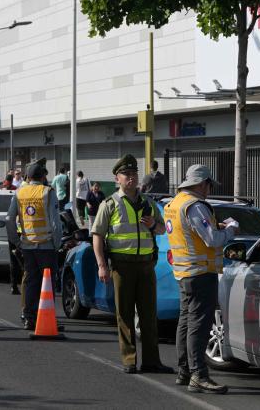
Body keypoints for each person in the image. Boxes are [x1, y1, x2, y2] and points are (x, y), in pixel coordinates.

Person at [91, 154, 173, 374]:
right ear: (117, 179)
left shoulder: (148, 203)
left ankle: (151, 361)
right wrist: (101, 265)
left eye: (134, 174)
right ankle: (129, 359)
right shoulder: (110, 204)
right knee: (125, 314)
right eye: (126, 175)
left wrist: (153, 223)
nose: (131, 178)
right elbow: (97, 235)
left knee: (148, 315)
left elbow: (162, 229)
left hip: (146, 265)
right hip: (122, 266)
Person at [163, 164, 239, 394]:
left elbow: (192, 233)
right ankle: (199, 375)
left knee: (185, 322)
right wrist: (231, 229)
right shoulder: (194, 206)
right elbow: (212, 240)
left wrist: (217, 226)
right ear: (201, 182)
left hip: (184, 272)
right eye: (209, 184)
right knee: (199, 325)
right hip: (200, 273)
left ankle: (184, 370)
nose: (209, 189)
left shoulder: (174, 204)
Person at [5, 162, 62, 330]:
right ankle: (47, 318)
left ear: (28, 177)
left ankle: (29, 319)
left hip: (27, 246)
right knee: (48, 285)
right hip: (46, 246)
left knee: (30, 282)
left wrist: (16, 241)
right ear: (43, 177)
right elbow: (56, 223)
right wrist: (57, 245)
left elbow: (9, 219)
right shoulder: (48, 192)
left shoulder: (19, 192)